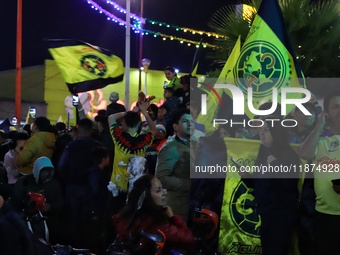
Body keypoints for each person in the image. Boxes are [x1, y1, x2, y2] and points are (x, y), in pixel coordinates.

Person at [243, 118, 300, 255]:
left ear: (276, 132)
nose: (262, 133)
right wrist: (246, 177)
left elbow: (288, 184)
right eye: (261, 129)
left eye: (266, 129)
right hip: (266, 213)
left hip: (281, 216)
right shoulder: (263, 153)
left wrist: (275, 165)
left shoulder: (288, 154)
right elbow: (260, 184)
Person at [299, 90, 340, 255]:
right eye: (336, 107)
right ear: (327, 113)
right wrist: (319, 124)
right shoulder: (320, 140)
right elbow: (304, 153)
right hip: (324, 215)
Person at [112, 174, 196, 255]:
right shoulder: (156, 223)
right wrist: (173, 217)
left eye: (162, 188)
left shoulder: (127, 216)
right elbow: (188, 240)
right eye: (158, 190)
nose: (164, 193)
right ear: (147, 195)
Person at [108, 100, 157, 213]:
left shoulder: (118, 136)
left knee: (113, 218)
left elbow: (111, 118)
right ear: (139, 123)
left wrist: (130, 112)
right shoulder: (144, 141)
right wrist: (144, 112)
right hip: (135, 189)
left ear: (124, 122)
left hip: (116, 187)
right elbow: (154, 130)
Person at [9, 156, 64, 244]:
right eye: (44, 171)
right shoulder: (24, 182)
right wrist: (28, 203)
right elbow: (14, 203)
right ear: (37, 170)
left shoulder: (54, 185)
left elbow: (60, 204)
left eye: (49, 171)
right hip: (26, 219)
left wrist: (50, 206)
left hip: (47, 220)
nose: (47, 174)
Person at [156, 109, 195, 221]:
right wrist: (191, 184)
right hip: (178, 208)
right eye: (185, 121)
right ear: (175, 126)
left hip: (192, 206)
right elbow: (162, 178)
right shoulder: (170, 148)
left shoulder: (196, 144)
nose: (190, 124)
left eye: (192, 121)